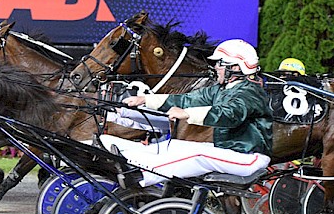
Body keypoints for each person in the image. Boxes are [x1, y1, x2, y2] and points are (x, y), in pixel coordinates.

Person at [100, 39, 272, 189]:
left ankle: (142, 175)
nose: (216, 68)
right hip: (228, 151)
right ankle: (128, 159)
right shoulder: (221, 89)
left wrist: (187, 114)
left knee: (199, 155)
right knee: (176, 145)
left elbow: (228, 115)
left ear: (236, 67)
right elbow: (186, 99)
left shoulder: (251, 92)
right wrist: (146, 100)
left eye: (220, 63)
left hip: (249, 158)